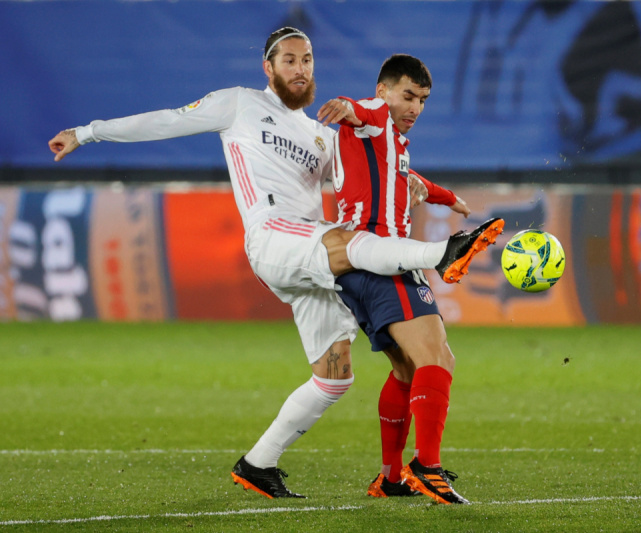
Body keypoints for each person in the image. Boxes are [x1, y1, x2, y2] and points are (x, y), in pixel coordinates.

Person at [47, 27, 503, 499]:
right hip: (274, 235)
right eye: (289, 60)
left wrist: (424, 187)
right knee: (352, 239)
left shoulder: (320, 137)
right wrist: (87, 133)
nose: (300, 69)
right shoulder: (241, 104)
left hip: (312, 259)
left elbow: (374, 162)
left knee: (335, 377)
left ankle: (258, 464)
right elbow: (165, 121)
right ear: (269, 68)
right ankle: (442, 254)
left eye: (307, 60)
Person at [317, 54, 504, 504]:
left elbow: (407, 177)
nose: (415, 107)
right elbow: (360, 109)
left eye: (422, 100)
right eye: (407, 95)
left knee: (406, 369)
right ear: (383, 90)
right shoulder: (375, 117)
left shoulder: (391, 144)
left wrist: (447, 197)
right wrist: (346, 106)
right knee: (437, 357)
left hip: (359, 265)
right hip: (382, 260)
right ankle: (427, 466)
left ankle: (390, 476)